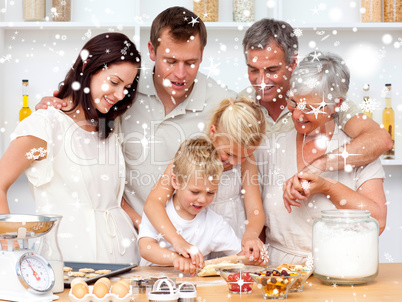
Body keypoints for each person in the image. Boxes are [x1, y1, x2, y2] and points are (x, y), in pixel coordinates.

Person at [35, 6, 236, 234]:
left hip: (196, 244)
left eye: (191, 62)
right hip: (129, 237)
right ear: (151, 51)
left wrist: (234, 157)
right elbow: (85, 133)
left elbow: (255, 149)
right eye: (170, 61)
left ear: (202, 55)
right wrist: (56, 108)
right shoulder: (123, 94)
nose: (181, 74)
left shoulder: (223, 103)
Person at [0, 32, 142, 264]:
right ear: (87, 66)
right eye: (114, 82)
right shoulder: (45, 126)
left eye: (126, 87)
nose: (119, 95)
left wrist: (152, 232)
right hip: (69, 264)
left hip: (125, 262)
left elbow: (112, 200)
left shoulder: (109, 128)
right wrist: (10, 250)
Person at [259, 51, 387, 265]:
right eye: (293, 102)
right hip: (279, 275)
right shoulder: (271, 148)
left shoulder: (358, 151)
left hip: (341, 269)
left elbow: (378, 222)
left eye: (310, 108)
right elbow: (259, 224)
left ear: (337, 104)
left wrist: (328, 187)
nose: (297, 115)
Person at [241, 19, 392, 175]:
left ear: (292, 63)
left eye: (271, 70)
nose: (262, 82)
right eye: (253, 70)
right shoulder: (240, 104)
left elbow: (380, 139)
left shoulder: (324, 101)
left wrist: (319, 165)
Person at [144, 97, 268, 267]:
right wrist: (177, 241)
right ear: (213, 133)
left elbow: (255, 209)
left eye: (243, 156)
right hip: (193, 236)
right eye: (229, 154)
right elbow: (153, 203)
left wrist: (251, 234)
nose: (235, 162)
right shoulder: (190, 158)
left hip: (230, 237)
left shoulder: (247, 162)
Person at [139, 137, 246, 275]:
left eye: (210, 192)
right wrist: (175, 258)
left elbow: (240, 255)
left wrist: (253, 256)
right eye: (195, 192)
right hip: (151, 287)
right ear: (175, 181)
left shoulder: (214, 223)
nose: (202, 200)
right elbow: (145, 248)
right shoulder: (159, 212)